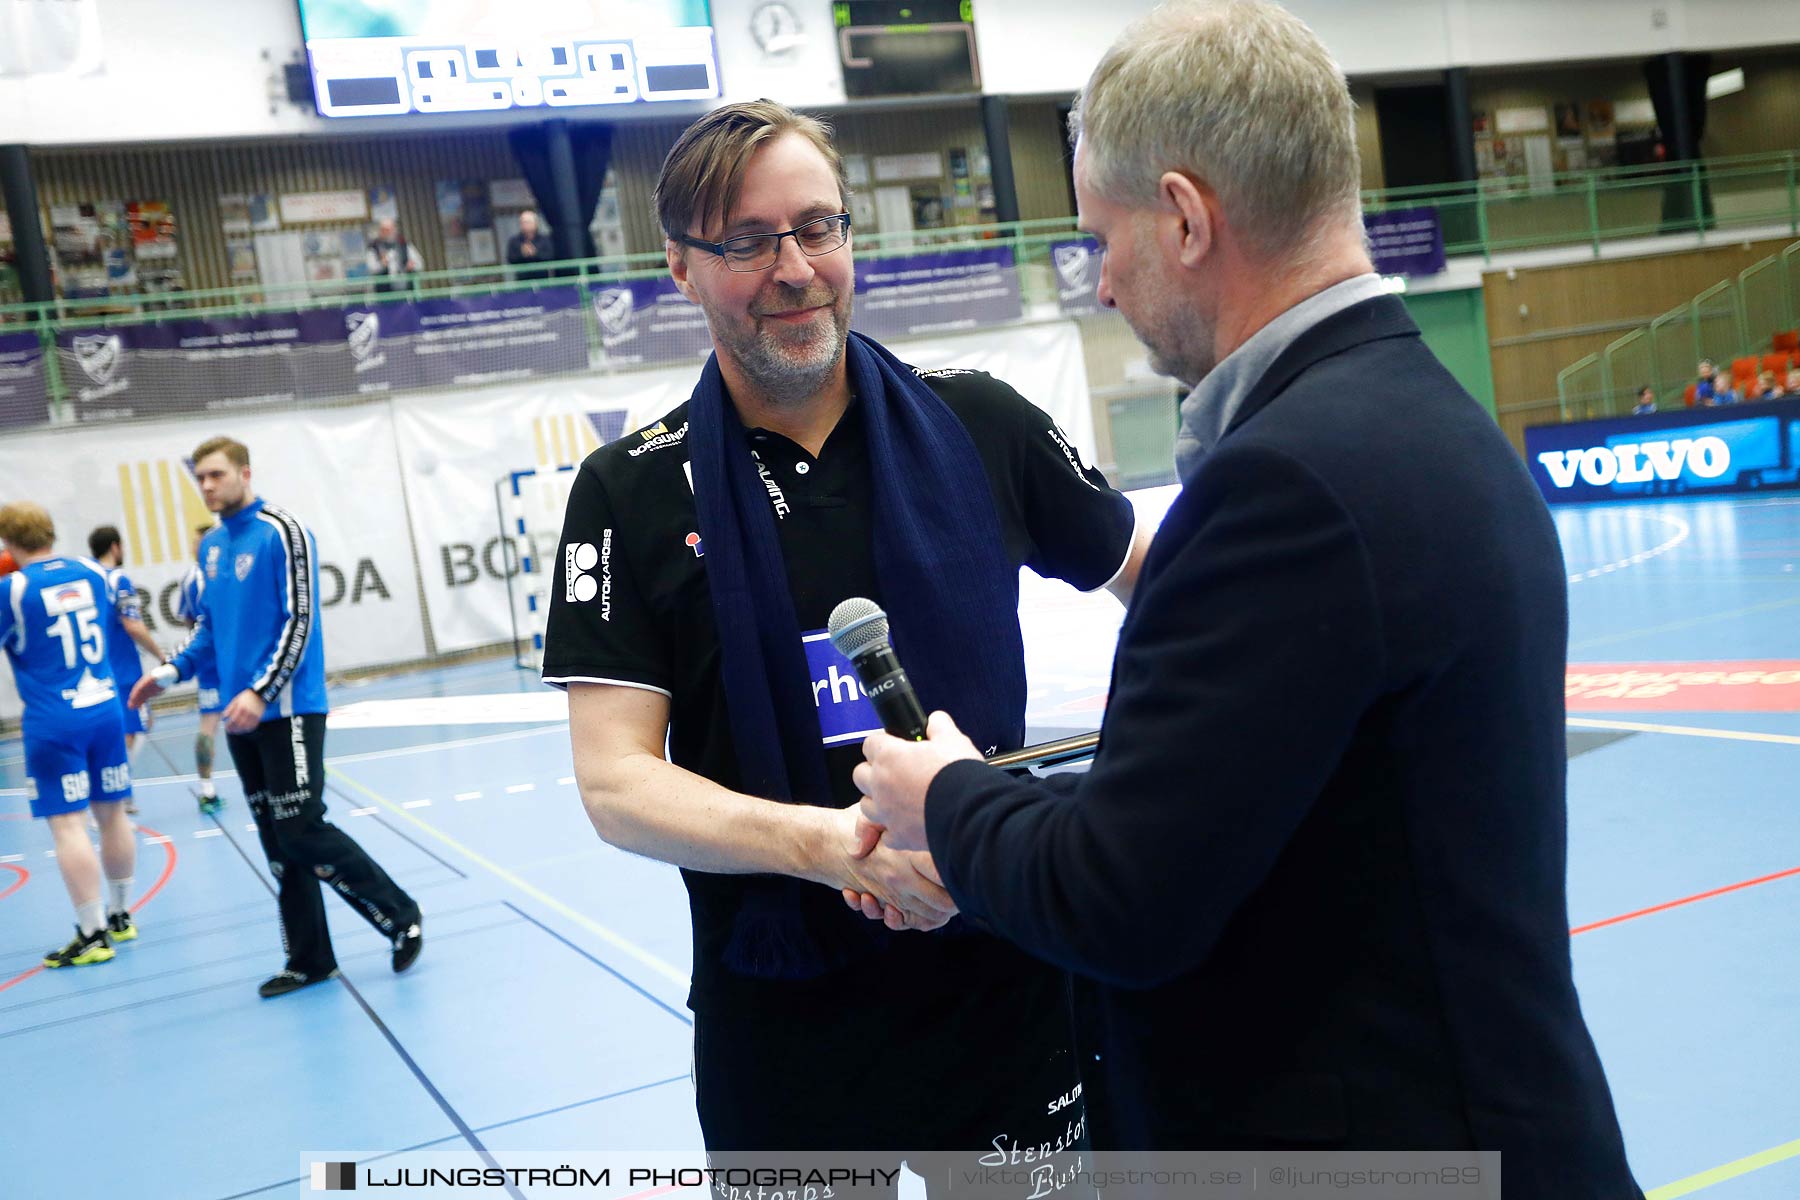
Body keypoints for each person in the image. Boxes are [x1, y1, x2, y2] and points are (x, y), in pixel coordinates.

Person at [852, 4, 1643, 1196]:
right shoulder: (1431, 424)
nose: (1103, 282)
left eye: (1101, 238)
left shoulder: (1287, 484)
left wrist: (946, 802)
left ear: (1183, 216)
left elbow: (1125, 899)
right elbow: (1263, 796)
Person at [541, 99, 1147, 1169]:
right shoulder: (627, 491)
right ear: (679, 265)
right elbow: (617, 785)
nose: (795, 268)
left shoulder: (983, 422)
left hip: (999, 981)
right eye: (746, 240)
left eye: (819, 226)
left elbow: (1171, 593)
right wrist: (829, 853)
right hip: (783, 1016)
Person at [129, 436, 423, 998]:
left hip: (286, 710)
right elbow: (210, 632)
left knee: (301, 827)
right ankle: (310, 958)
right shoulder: (212, 547)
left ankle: (401, 913)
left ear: (244, 472)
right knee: (276, 840)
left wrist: (262, 691)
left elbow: (300, 619)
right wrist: (168, 673)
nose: (207, 486)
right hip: (241, 715)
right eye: (200, 478)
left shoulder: (283, 532)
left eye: (216, 475)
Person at [0, 502, 141, 967]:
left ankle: (92, 930)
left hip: (54, 718)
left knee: (68, 824)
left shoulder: (14, 589)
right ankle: (121, 914)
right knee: (113, 813)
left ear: (8, 540)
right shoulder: (92, 571)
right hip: (104, 707)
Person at [87, 526, 163, 780]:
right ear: (115, 547)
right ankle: (116, 792)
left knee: (124, 728)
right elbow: (133, 625)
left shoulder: (87, 578)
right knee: (131, 730)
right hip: (122, 668)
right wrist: (161, 655)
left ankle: (113, 791)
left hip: (95, 670)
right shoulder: (117, 579)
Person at [175, 523, 224, 814]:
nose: (194, 548)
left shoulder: (190, 578)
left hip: (208, 661)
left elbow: (189, 622)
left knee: (209, 724)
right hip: (230, 658)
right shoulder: (223, 572)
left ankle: (207, 791)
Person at [365, 217, 424, 292]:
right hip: (384, 292)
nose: (388, 232)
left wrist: (412, 266)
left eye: (390, 229)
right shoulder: (374, 247)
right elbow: (371, 269)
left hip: (406, 289)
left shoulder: (404, 244)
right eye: (385, 230)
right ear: (380, 231)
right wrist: (382, 264)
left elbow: (420, 264)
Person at [505, 209, 553, 281]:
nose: (525, 225)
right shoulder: (514, 241)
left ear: (535, 223)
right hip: (522, 281)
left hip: (542, 280)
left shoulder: (545, 239)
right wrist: (522, 254)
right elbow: (510, 258)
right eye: (523, 223)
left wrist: (535, 253)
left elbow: (550, 256)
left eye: (528, 222)